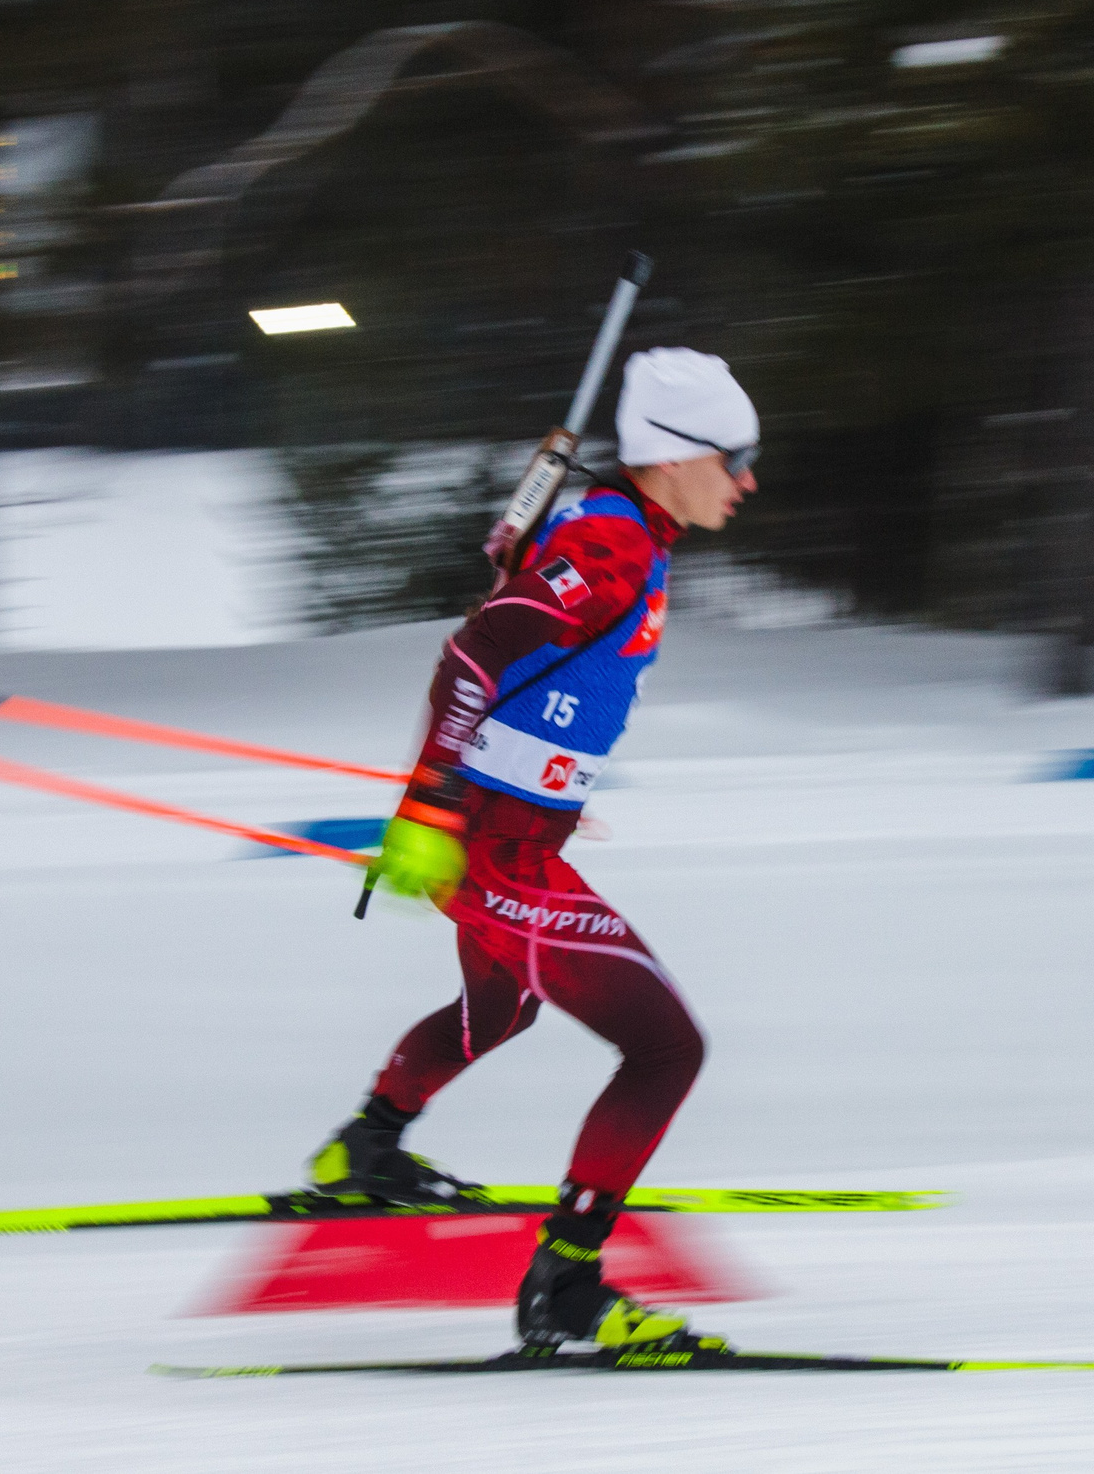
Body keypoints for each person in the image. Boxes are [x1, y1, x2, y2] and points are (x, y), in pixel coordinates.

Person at [304, 347, 761, 1353]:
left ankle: (364, 1151)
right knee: (665, 1049)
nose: (747, 480)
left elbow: (537, 674)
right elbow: (475, 654)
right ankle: (569, 1284)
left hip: (507, 830)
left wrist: (534, 787)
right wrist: (428, 804)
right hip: (493, 851)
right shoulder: (612, 547)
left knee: (499, 1007)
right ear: (676, 456)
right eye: (735, 457)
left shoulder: (622, 530)